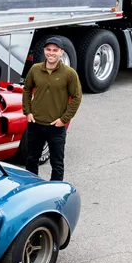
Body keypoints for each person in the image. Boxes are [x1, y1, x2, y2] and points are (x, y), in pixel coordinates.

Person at [20, 36, 82, 181]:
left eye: (55, 50)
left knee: (57, 163)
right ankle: (31, 187)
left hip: (56, 126)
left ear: (61, 52)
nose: (51, 53)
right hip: (35, 124)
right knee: (31, 160)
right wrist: (27, 112)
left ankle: (55, 193)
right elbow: (27, 90)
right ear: (44, 51)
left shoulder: (69, 73)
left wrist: (64, 120)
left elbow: (77, 97)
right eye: (48, 50)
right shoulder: (35, 69)